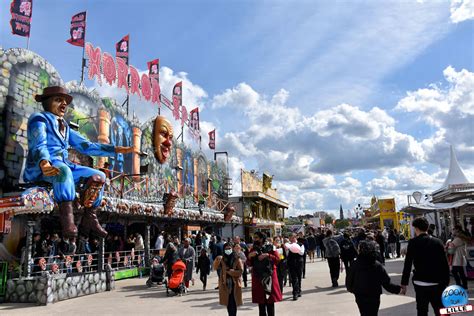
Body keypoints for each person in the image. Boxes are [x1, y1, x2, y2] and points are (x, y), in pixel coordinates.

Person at [24, 86, 135, 240]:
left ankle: (90, 218)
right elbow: (38, 145)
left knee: (99, 176)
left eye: (65, 101)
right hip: (43, 166)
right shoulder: (39, 119)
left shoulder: (65, 127)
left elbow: (86, 146)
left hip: (63, 163)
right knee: (64, 171)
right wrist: (44, 162)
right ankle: (67, 220)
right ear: (47, 102)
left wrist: (115, 150)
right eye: (58, 100)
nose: (64, 104)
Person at [401, 217, 450, 316]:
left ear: (416, 228)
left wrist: (404, 283)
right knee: (441, 310)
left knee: (422, 310)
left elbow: (408, 264)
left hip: (420, 283)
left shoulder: (413, 243)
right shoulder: (438, 242)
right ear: (427, 228)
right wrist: (446, 282)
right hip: (437, 283)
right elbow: (445, 264)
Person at [346, 241, 402, 316]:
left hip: (360, 295)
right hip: (374, 295)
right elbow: (386, 283)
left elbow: (349, 281)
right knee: (373, 313)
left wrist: (353, 290)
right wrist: (399, 289)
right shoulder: (377, 265)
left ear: (359, 250)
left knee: (364, 313)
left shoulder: (354, 265)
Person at [248, 232, 282, 316]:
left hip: (269, 277)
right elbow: (248, 263)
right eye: (254, 237)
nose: (254, 239)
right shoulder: (253, 249)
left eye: (256, 237)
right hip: (257, 277)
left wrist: (267, 255)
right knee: (261, 303)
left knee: (270, 302)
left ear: (262, 238)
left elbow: (278, 259)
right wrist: (249, 256)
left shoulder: (271, 247)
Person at [213, 242, 243, 316]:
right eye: (226, 249)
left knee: (234, 301)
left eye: (229, 248)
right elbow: (215, 267)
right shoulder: (221, 259)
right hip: (224, 283)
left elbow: (241, 271)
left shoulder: (236, 258)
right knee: (228, 302)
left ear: (232, 249)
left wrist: (232, 272)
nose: (228, 250)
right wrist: (217, 260)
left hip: (235, 283)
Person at [285, 233, 304, 300]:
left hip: (299, 262)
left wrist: (295, 249)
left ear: (296, 237)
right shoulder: (288, 245)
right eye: (290, 238)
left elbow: (302, 253)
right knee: (294, 278)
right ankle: (295, 293)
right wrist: (288, 249)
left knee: (299, 277)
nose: (292, 239)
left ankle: (299, 290)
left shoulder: (300, 244)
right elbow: (286, 254)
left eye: (293, 237)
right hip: (291, 263)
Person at [451, 225, 469, 289]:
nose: (453, 231)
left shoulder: (458, 238)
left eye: (454, 229)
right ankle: (464, 285)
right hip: (460, 256)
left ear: (457, 229)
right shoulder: (461, 237)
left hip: (458, 257)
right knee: (460, 272)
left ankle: (459, 285)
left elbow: (451, 246)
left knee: (455, 271)